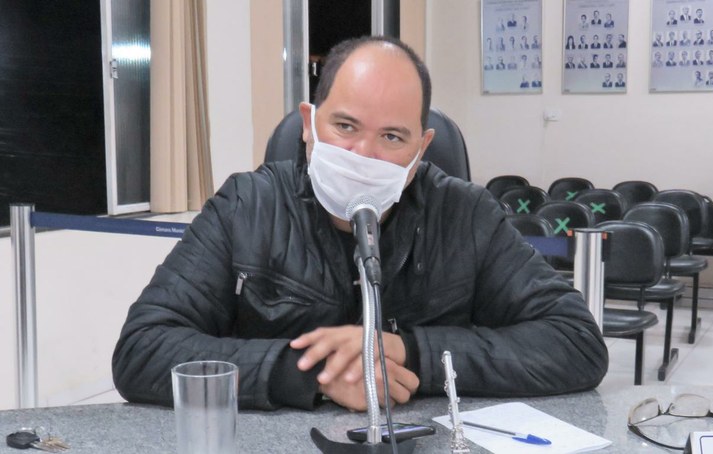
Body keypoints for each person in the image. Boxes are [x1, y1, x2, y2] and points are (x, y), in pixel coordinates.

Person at [111, 35, 609, 412]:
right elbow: (142, 350)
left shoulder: (467, 214)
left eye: (392, 137)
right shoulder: (246, 206)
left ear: (421, 149)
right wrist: (312, 373)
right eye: (345, 126)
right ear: (309, 125)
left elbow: (576, 343)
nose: (364, 154)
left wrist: (409, 352)